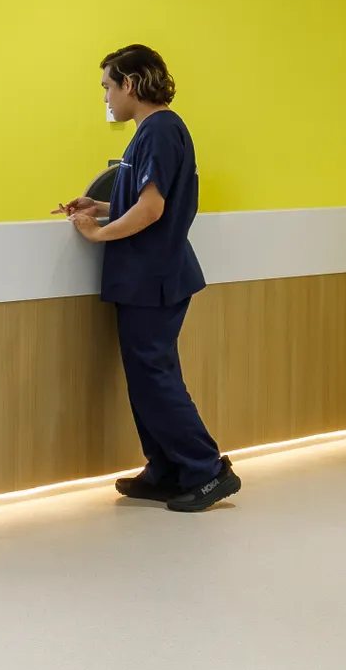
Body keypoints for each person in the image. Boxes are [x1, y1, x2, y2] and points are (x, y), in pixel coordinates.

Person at [56, 44, 238, 512]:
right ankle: (166, 469)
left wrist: (98, 233)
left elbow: (153, 209)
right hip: (149, 276)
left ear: (130, 84)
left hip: (152, 277)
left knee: (154, 378)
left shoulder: (158, 130)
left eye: (107, 87)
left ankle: (206, 470)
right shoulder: (154, 132)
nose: (105, 98)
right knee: (148, 377)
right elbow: (146, 202)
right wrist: (98, 206)